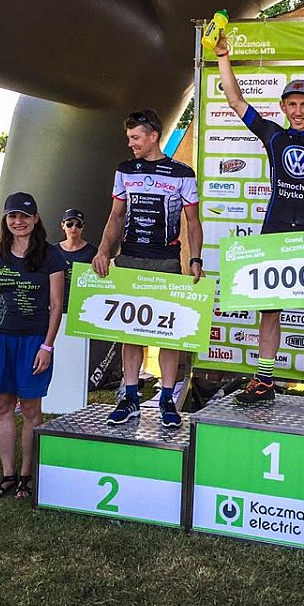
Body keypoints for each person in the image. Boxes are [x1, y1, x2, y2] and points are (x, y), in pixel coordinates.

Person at [214, 32, 304, 416]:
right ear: (283, 106)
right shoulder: (273, 135)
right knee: (269, 311)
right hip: (274, 233)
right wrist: (223, 56)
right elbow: (235, 101)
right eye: (292, 103)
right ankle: (264, 381)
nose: (298, 110)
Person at [92, 109, 203, 429]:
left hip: (165, 260)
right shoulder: (125, 169)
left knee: (169, 332)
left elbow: (193, 221)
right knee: (130, 330)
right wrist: (103, 250)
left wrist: (195, 259)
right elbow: (116, 216)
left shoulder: (182, 173)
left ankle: (167, 398)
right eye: (129, 138)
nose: (131, 144)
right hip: (129, 257)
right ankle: (129, 397)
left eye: (135, 138)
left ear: (154, 136)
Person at [0, 192, 65, 500]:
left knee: (32, 409)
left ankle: (27, 475)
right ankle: (8, 475)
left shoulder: (51, 255)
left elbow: (56, 304)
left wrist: (47, 347)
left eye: (24, 216)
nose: (18, 221)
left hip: (33, 341)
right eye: (13, 216)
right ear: (6, 219)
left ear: (35, 219)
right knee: (2, 406)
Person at [55, 208, 98, 311]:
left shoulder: (92, 251)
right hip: (57, 306)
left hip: (83, 306)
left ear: (83, 227)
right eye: (69, 224)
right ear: (63, 225)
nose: (74, 228)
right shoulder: (53, 250)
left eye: (78, 225)